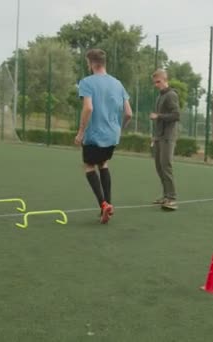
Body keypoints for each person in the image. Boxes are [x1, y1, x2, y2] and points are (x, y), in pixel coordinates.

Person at [75, 49, 133, 224]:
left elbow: (89, 108)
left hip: (94, 134)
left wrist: (80, 132)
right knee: (103, 163)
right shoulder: (117, 83)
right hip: (112, 136)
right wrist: (119, 129)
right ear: (104, 63)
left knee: (88, 166)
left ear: (91, 63)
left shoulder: (87, 82)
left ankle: (103, 204)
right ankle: (108, 206)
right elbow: (129, 113)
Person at [150, 69, 180, 211]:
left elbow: (176, 115)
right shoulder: (159, 97)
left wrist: (159, 116)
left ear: (165, 80)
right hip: (159, 137)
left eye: (158, 81)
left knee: (166, 165)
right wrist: (155, 136)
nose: (156, 84)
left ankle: (172, 199)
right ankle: (165, 196)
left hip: (168, 137)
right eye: (154, 82)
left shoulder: (171, 95)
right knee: (159, 166)